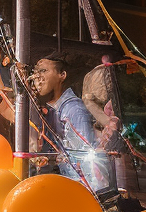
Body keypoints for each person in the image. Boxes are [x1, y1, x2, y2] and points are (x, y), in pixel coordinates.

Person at [28, 54, 108, 194]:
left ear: (62, 75)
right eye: (35, 72)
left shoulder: (73, 110)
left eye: (43, 71)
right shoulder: (52, 110)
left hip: (81, 189)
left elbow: (84, 158)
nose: (37, 77)